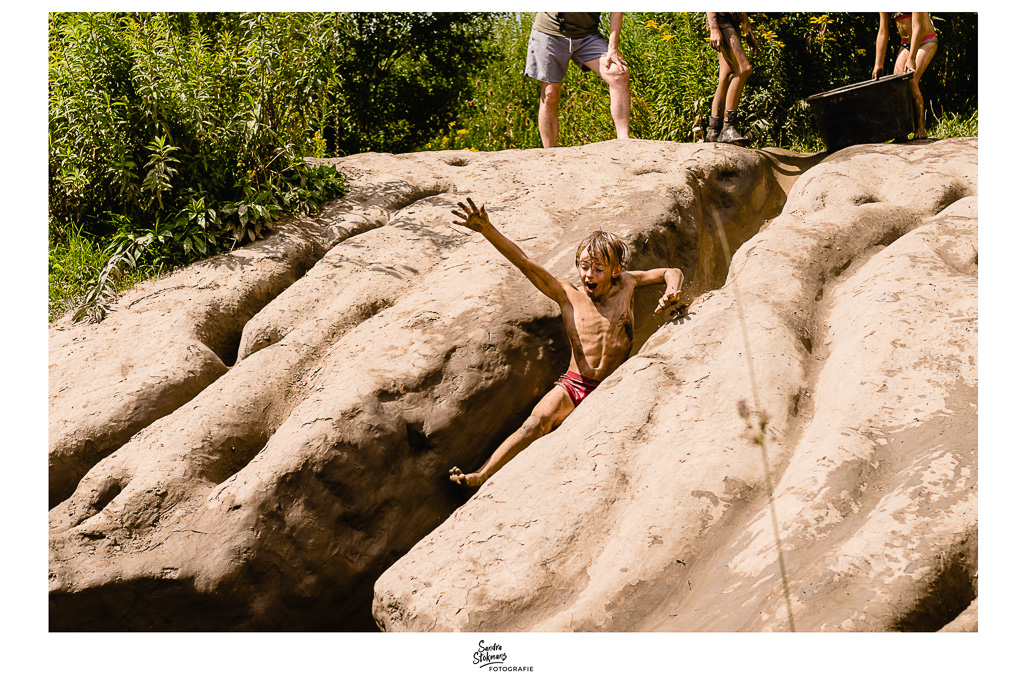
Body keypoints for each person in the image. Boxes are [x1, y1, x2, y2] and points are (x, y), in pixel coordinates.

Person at [448, 198, 683, 487]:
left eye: (598, 268)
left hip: (615, 384)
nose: (589, 275)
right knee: (533, 424)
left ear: (615, 270)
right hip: (574, 384)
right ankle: (480, 476)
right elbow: (525, 263)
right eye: (584, 266)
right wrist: (487, 229)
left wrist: (672, 291)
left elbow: (671, 272)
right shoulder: (568, 295)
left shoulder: (628, 284)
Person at [524, 12, 631, 148]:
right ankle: (549, 154)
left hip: (587, 36)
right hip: (550, 33)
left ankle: (624, 143)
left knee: (618, 73)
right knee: (550, 94)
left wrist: (613, 48)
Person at [873, 12, 939, 140]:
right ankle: (901, 130)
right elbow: (882, 31)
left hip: (926, 41)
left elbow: (917, 27)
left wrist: (911, 58)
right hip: (906, 45)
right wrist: (878, 63)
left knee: (911, 78)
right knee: (897, 83)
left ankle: (920, 127)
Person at [705, 12, 759, 146]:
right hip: (721, 19)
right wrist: (714, 28)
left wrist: (748, 31)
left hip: (730, 21)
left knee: (726, 74)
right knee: (744, 69)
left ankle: (714, 130)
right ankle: (728, 128)